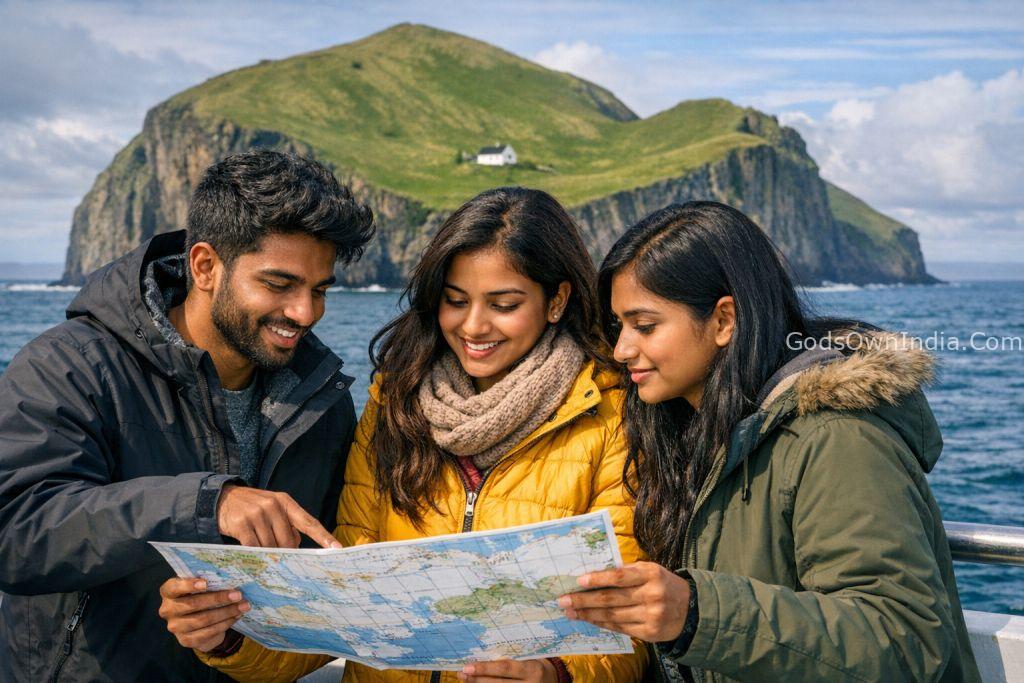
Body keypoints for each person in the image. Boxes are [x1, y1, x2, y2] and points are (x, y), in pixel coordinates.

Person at [158, 187, 649, 682]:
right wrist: (227, 636)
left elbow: (627, 633)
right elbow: (337, 619)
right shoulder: (393, 406)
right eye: (455, 301)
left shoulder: (613, 418)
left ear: (557, 300)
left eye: (503, 304)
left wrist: (557, 677)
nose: (473, 326)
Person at [556, 201, 981, 682]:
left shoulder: (839, 436)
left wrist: (697, 615)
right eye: (618, 326)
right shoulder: (686, 433)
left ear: (724, 321)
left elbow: (904, 640)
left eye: (645, 326)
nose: (621, 349)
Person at [0, 149, 375, 682]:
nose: (305, 313)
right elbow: (15, 533)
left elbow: (326, 567)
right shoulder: (68, 365)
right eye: (279, 284)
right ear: (204, 266)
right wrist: (204, 504)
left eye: (318, 290)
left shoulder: (323, 399)